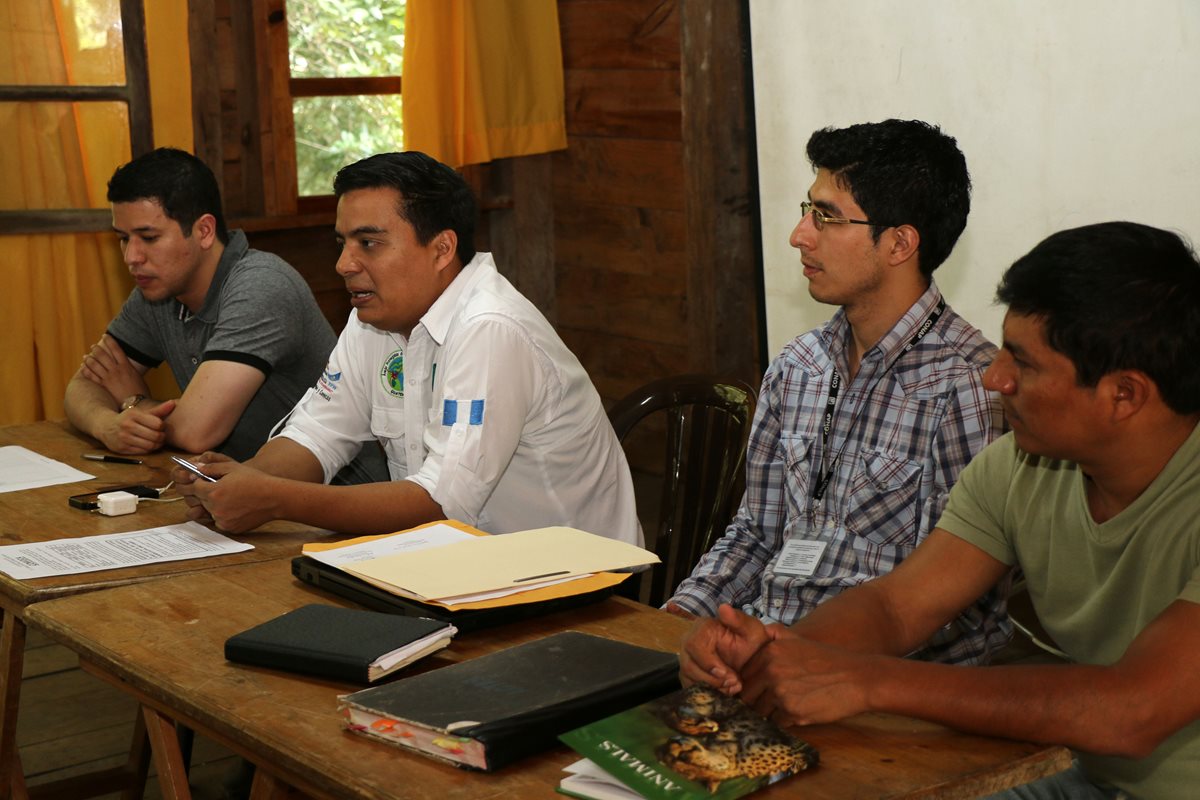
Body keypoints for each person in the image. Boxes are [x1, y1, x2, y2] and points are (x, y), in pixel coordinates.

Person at [681, 222, 1200, 798]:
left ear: (1123, 395)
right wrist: (772, 653)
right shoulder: (1017, 468)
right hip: (1080, 776)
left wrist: (872, 681)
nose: (993, 376)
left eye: (1023, 364)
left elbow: (1133, 711)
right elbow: (896, 608)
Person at [666, 119, 1008, 664]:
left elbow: (957, 603)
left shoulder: (968, 386)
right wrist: (679, 623)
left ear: (899, 243)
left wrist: (794, 652)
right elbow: (757, 532)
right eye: (807, 209)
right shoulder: (799, 365)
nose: (799, 235)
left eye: (825, 216)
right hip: (767, 653)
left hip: (880, 682)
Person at [177, 151, 642, 544]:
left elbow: (441, 503)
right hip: (453, 568)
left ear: (441, 250)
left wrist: (272, 498)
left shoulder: (490, 327)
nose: (343, 264)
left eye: (369, 243)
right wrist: (237, 484)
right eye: (342, 242)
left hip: (572, 587)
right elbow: (316, 438)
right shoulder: (372, 322)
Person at [63, 147, 339, 463]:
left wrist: (134, 403)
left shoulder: (261, 285)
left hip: (333, 497)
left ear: (204, 231)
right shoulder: (156, 290)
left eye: (149, 238)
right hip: (241, 488)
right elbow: (82, 386)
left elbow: (197, 431)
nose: (131, 257)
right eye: (123, 238)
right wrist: (106, 424)